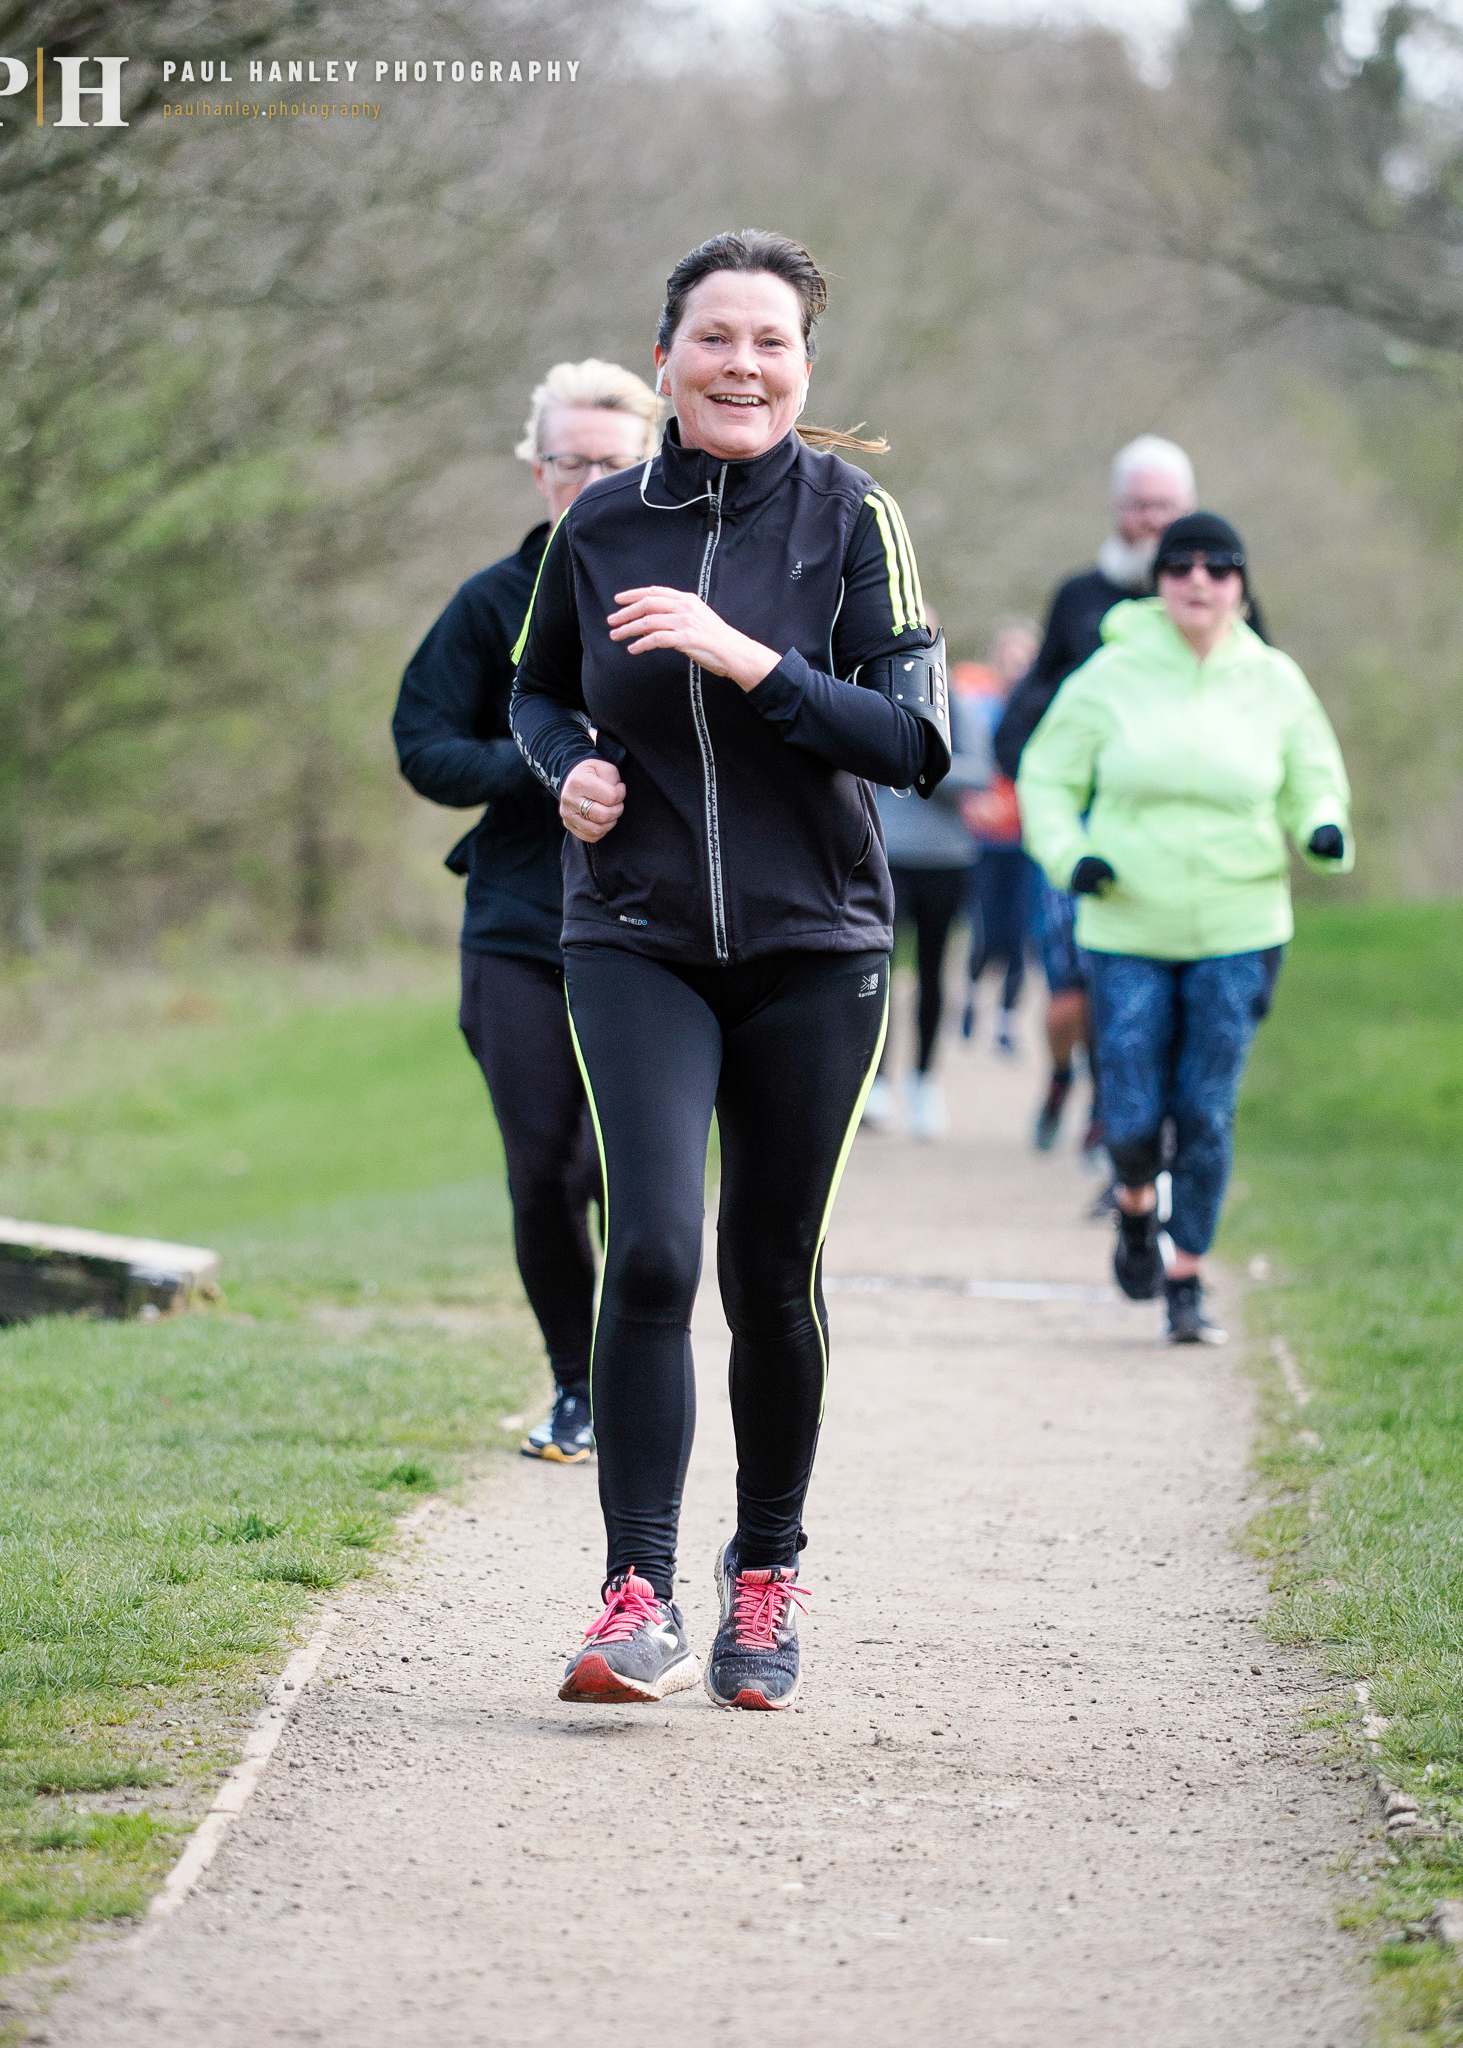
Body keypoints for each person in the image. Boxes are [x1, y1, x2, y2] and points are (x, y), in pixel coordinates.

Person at [510, 228, 952, 1710]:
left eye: (771, 342)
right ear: (666, 360)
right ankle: (634, 1593)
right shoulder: (600, 525)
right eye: (715, 338)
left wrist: (745, 657)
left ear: (805, 366)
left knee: (770, 1271)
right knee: (650, 1249)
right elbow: (533, 692)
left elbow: (916, 741)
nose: (742, 365)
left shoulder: (853, 517)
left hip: (816, 948)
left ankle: (765, 1572)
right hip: (632, 936)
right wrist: (568, 768)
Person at [393, 360, 660, 1463]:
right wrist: (543, 761)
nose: (589, 481)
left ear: (649, 462)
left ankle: (645, 1372)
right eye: (569, 461)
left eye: (612, 462)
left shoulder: (689, 592)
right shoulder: (491, 603)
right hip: (518, 922)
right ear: (538, 470)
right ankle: (576, 1385)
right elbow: (422, 745)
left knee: (623, 1172)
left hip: (655, 926)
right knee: (546, 1169)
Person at [1016, 513, 1352, 1343]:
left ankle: (1187, 1278)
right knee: (1132, 1115)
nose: (1199, 579)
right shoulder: (1109, 674)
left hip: (1241, 926)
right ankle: (1136, 1208)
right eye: (1180, 566)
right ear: (1158, 582)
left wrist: (1320, 826)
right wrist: (1071, 856)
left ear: (1242, 586)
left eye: (1219, 567)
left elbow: (1314, 776)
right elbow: (1046, 777)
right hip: (1127, 923)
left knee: (1205, 1111)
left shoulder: (1274, 680)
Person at [996, 437, 1199, 1157]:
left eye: (1164, 506)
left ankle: (1119, 1122)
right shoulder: (1079, 597)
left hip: (1171, 827)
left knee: (1137, 985)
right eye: (1138, 505)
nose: (1150, 520)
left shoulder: (1213, 599)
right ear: (1116, 509)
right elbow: (1032, 698)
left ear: (1187, 509)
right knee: (1071, 998)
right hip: (1081, 821)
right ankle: (1062, 1076)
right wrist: (1027, 770)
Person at [862, 612, 992, 1140]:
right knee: (877, 972)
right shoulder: (869, 689)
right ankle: (876, 1082)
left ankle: (924, 1081)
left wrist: (919, 759)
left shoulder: (957, 700)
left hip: (946, 859)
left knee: (935, 973)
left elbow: (980, 772)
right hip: (885, 856)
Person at [957, 620, 1040, 1057]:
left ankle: (1006, 1021)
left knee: (1019, 935)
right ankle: (970, 999)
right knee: (985, 931)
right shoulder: (976, 703)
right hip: (985, 839)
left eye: (1024, 658)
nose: (1016, 666)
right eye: (1009, 656)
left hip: (1028, 840)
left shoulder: (1044, 708)